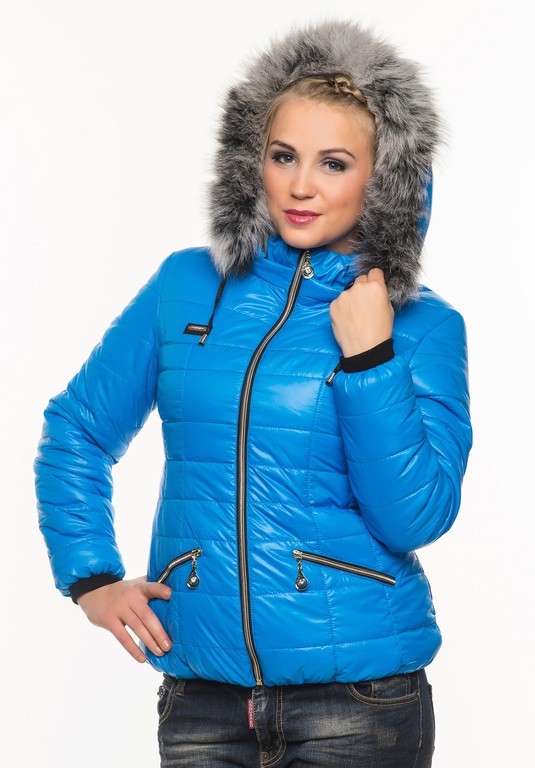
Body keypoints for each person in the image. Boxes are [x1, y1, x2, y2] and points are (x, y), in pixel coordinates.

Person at [35, 19, 472, 768]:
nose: (301, 185)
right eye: (282, 156)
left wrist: (370, 358)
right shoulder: (185, 285)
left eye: (334, 163)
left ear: (385, 179)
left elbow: (415, 516)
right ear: (251, 162)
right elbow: (76, 429)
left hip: (359, 702)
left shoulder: (423, 327)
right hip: (201, 701)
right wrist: (92, 579)